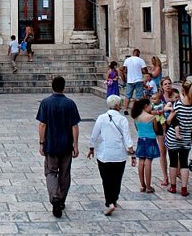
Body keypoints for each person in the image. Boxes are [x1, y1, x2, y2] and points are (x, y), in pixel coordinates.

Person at [36, 76, 80, 218]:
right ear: (64, 87)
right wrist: (76, 145)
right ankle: (61, 200)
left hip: (51, 145)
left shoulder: (46, 103)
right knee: (65, 174)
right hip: (66, 145)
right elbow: (75, 126)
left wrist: (41, 143)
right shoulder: (70, 104)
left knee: (51, 172)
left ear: (52, 87)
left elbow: (43, 125)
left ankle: (55, 196)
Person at [88, 95, 135, 216]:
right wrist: (132, 153)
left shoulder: (101, 118)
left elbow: (94, 134)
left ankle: (109, 202)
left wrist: (91, 147)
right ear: (118, 106)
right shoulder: (122, 120)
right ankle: (113, 199)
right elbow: (127, 137)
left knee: (106, 179)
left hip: (104, 154)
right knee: (117, 178)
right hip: (119, 154)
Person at [164, 79, 192, 196]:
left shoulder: (178, 105)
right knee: (184, 163)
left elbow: (169, 120)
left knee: (173, 162)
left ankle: (173, 186)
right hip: (186, 137)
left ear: (183, 90)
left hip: (173, 137)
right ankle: (184, 188)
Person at [132, 97, 160, 193]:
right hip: (150, 139)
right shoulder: (152, 118)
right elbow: (156, 129)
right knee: (148, 162)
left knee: (141, 161)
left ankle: (142, 185)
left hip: (141, 139)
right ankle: (148, 186)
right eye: (150, 105)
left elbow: (137, 129)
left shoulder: (136, 118)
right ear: (146, 106)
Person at [121, 49, 146, 115]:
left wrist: (124, 78)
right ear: (138, 54)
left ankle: (125, 109)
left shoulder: (127, 60)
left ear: (133, 53)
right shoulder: (141, 60)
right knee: (139, 96)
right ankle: (138, 109)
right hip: (138, 80)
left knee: (128, 96)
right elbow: (145, 70)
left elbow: (124, 70)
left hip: (130, 80)